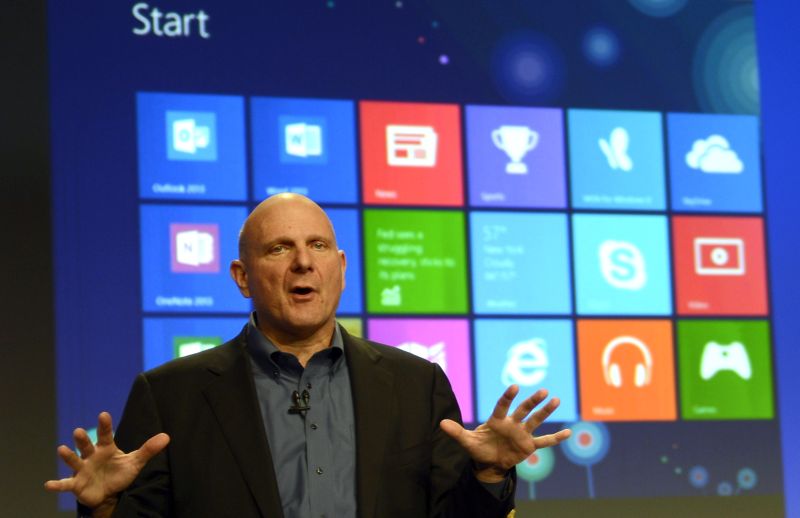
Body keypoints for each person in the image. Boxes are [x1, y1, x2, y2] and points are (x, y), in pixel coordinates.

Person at [45, 193, 571, 517]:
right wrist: (107, 508)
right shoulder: (169, 395)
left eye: (318, 246)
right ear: (242, 277)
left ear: (340, 267)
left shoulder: (417, 384)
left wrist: (489, 477)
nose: (303, 263)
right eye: (279, 249)